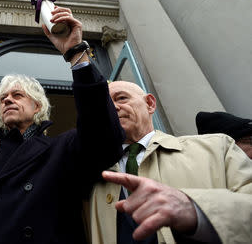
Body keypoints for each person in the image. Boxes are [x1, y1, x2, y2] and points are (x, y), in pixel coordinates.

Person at [0, 6, 125, 244]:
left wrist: (76, 54)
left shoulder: (61, 150)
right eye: (3, 98)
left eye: (17, 95)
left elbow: (104, 138)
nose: (7, 99)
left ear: (37, 107)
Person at [90, 81, 252, 244]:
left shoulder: (217, 148)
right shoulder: (90, 177)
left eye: (122, 98)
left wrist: (197, 210)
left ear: (150, 104)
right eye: (105, 105)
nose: (113, 108)